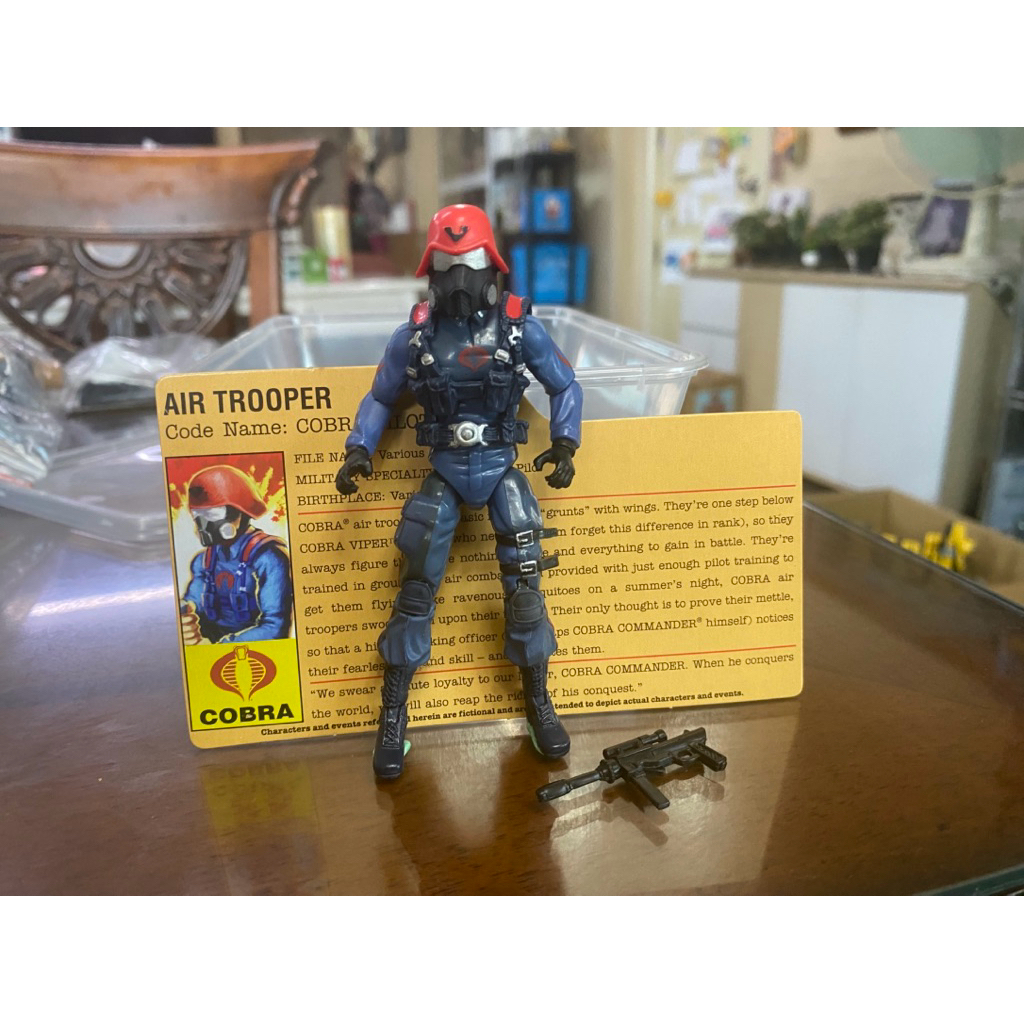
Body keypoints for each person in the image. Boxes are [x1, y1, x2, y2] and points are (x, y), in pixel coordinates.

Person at [336, 204, 583, 778]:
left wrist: (566, 443)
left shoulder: (521, 330)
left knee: (526, 585)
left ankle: (538, 701)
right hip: (445, 469)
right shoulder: (414, 338)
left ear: (492, 267)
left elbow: (565, 385)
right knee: (415, 588)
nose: (460, 282)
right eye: (447, 269)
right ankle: (393, 715)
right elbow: (380, 397)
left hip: (501, 466)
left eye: (469, 266)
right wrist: (359, 448)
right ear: (431, 273)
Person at [179, 464, 293, 644]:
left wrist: (220, 648)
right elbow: (194, 601)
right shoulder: (204, 560)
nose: (203, 524)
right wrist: (184, 616)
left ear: (240, 512)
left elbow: (275, 627)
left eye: (212, 513)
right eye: (198, 514)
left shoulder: (268, 558)